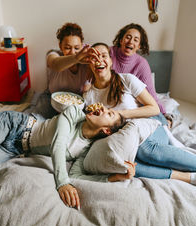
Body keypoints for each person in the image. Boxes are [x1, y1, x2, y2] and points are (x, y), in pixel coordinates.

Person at [69, 43, 196, 186]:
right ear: (88, 64)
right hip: (124, 137)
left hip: (149, 125)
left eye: (103, 56)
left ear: (111, 61)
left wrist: (120, 115)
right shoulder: (88, 97)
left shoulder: (126, 79)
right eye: (93, 58)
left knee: (143, 150)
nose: (99, 60)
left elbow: (154, 108)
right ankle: (187, 177)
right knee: (126, 163)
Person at [0, 105, 132, 209]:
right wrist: (62, 182)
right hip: (15, 124)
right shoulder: (73, 112)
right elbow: (58, 143)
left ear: (106, 130)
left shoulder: (84, 150)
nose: (102, 108)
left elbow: (76, 175)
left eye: (109, 114)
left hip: (15, 149)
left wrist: (115, 177)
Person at [31, 22, 100, 119]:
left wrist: (91, 64)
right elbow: (55, 64)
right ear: (60, 46)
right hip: (51, 99)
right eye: (67, 48)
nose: (72, 52)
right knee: (35, 119)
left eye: (77, 48)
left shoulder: (85, 62)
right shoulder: (53, 54)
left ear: (82, 46)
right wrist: (76, 57)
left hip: (75, 104)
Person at [110, 23, 166, 115]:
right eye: (128, 37)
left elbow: (151, 94)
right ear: (121, 40)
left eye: (136, 40)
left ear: (139, 46)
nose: (131, 42)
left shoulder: (141, 64)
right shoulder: (109, 53)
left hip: (129, 107)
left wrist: (163, 114)